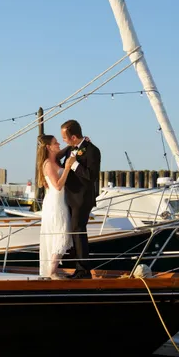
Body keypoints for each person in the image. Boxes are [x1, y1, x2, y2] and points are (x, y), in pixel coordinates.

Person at [58, 119, 101, 279]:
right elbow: (57, 159)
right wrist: (68, 148)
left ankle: (84, 270)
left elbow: (92, 175)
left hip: (82, 198)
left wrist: (75, 165)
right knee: (73, 231)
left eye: (64, 137)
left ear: (74, 137)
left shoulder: (92, 150)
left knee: (79, 230)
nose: (63, 140)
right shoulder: (70, 149)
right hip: (70, 198)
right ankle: (78, 268)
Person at [36, 134, 75, 279]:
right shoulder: (48, 164)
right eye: (55, 142)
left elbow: (65, 150)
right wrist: (67, 168)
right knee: (61, 234)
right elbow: (58, 186)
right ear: (48, 147)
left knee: (61, 234)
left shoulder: (54, 159)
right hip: (55, 203)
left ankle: (52, 270)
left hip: (60, 202)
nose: (58, 144)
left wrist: (75, 144)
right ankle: (52, 271)